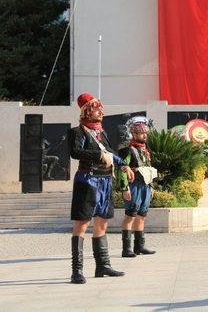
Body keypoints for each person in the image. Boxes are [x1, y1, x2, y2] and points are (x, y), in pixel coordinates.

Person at [67, 93, 134, 284]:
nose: (101, 112)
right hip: (87, 180)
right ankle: (77, 270)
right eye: (97, 109)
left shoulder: (101, 132)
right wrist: (98, 156)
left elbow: (111, 152)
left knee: (102, 222)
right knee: (82, 224)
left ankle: (102, 265)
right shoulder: (77, 131)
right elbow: (75, 152)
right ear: (87, 110)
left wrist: (123, 165)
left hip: (105, 180)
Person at [119, 116, 157, 257]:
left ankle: (139, 247)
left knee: (142, 215)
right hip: (133, 185)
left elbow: (148, 169)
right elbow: (122, 168)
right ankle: (126, 249)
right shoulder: (128, 151)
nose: (145, 135)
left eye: (146, 133)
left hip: (145, 186)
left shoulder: (146, 151)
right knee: (130, 215)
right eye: (142, 133)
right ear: (133, 134)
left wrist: (151, 186)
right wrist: (125, 188)